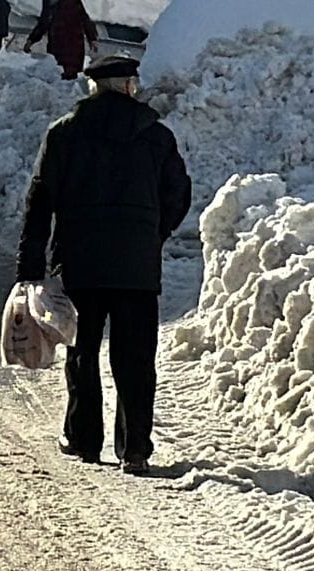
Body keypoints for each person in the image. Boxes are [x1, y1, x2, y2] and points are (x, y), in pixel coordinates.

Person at [15, 56, 192, 476]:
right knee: (135, 357)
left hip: (80, 260)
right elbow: (178, 195)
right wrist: (152, 233)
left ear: (94, 88)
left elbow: (40, 200)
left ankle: (83, 439)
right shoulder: (156, 136)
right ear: (128, 86)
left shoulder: (65, 134)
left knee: (82, 351)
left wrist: (31, 263)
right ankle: (135, 450)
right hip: (136, 265)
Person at [24, 0, 99, 80]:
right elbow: (43, 23)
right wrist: (31, 40)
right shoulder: (47, 0)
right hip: (55, 47)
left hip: (72, 47)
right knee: (57, 77)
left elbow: (84, 18)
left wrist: (92, 38)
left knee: (69, 79)